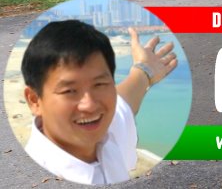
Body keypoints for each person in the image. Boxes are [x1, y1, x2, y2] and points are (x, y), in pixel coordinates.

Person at [21, 20, 178, 185]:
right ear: (34, 100)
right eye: (69, 91)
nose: (89, 105)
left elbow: (124, 102)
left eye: (99, 84)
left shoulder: (105, 132)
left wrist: (145, 69)